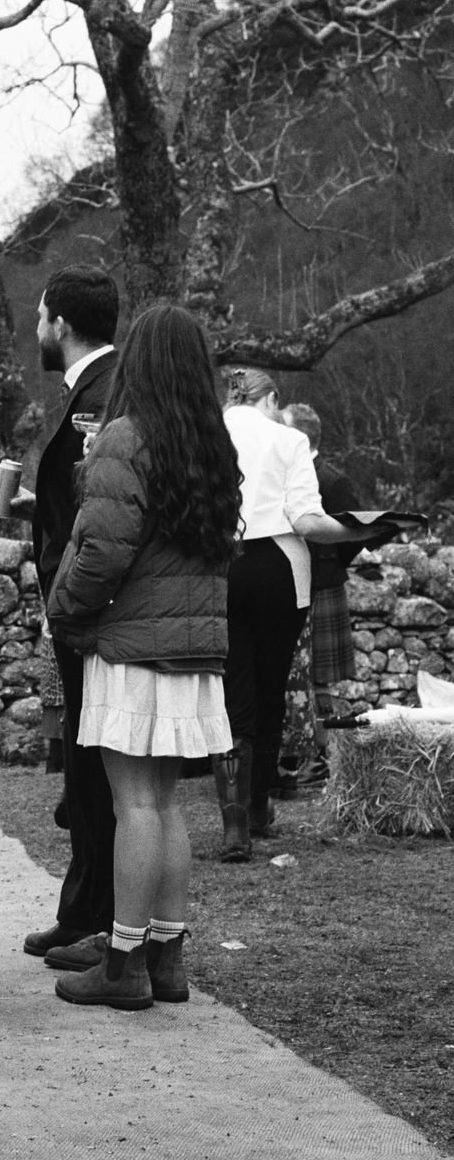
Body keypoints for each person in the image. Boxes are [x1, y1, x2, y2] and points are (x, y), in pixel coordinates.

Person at [46, 304, 241, 1010]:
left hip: (132, 644)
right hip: (193, 647)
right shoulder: (212, 444)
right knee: (164, 804)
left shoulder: (125, 437)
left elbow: (102, 549)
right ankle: (167, 957)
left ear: (139, 362)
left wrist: (65, 610)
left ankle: (123, 963)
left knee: (133, 805)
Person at [0, 266, 120, 970]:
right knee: (82, 761)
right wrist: (35, 511)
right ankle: (81, 910)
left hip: (88, 609)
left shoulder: (96, 399)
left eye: (41, 316)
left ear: (62, 324)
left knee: (92, 764)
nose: (37, 328)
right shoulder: (94, 389)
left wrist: (66, 603)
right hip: (83, 602)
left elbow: (100, 515)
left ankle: (93, 915)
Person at [217, 368, 359, 860]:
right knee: (271, 687)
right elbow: (306, 520)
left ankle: (234, 823)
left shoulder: (206, 433)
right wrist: (359, 530)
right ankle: (258, 806)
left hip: (221, 565)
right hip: (279, 568)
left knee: (232, 692)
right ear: (271, 397)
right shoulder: (289, 439)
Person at [279, 402, 364, 785]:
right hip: (298, 583)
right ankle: (299, 754)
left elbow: (356, 532)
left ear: (301, 436)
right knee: (297, 674)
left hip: (323, 584)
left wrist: (329, 565)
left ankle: (321, 757)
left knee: (319, 678)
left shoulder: (330, 479)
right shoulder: (293, 473)